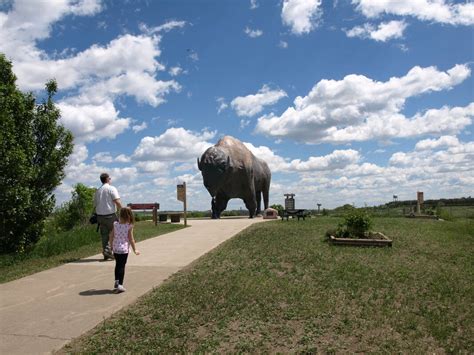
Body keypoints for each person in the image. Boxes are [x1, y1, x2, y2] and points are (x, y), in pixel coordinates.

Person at [109, 207, 140, 293]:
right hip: (123, 250)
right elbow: (131, 239)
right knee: (122, 266)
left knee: (117, 265)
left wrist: (111, 246)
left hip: (116, 249)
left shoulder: (115, 224)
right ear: (129, 216)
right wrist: (135, 250)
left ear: (120, 215)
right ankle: (120, 285)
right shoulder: (129, 226)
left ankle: (116, 281)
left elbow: (111, 236)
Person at [94, 173, 122, 260]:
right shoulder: (111, 188)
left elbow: (95, 204)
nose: (110, 180)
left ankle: (106, 253)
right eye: (109, 178)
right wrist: (123, 211)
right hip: (110, 216)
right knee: (115, 233)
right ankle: (110, 250)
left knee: (104, 235)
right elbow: (117, 201)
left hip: (100, 217)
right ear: (107, 179)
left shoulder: (98, 191)